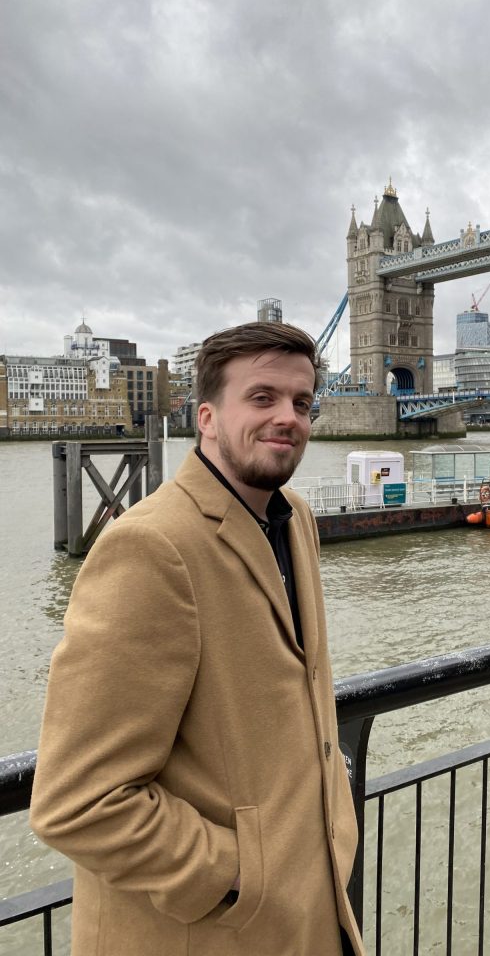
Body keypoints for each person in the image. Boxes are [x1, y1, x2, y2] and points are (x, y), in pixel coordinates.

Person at [30, 322, 364, 956]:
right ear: (206, 418)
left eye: (301, 402)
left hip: (312, 911)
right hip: (213, 932)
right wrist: (239, 875)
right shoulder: (150, 548)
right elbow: (76, 799)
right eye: (261, 398)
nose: (287, 417)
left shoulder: (296, 522)